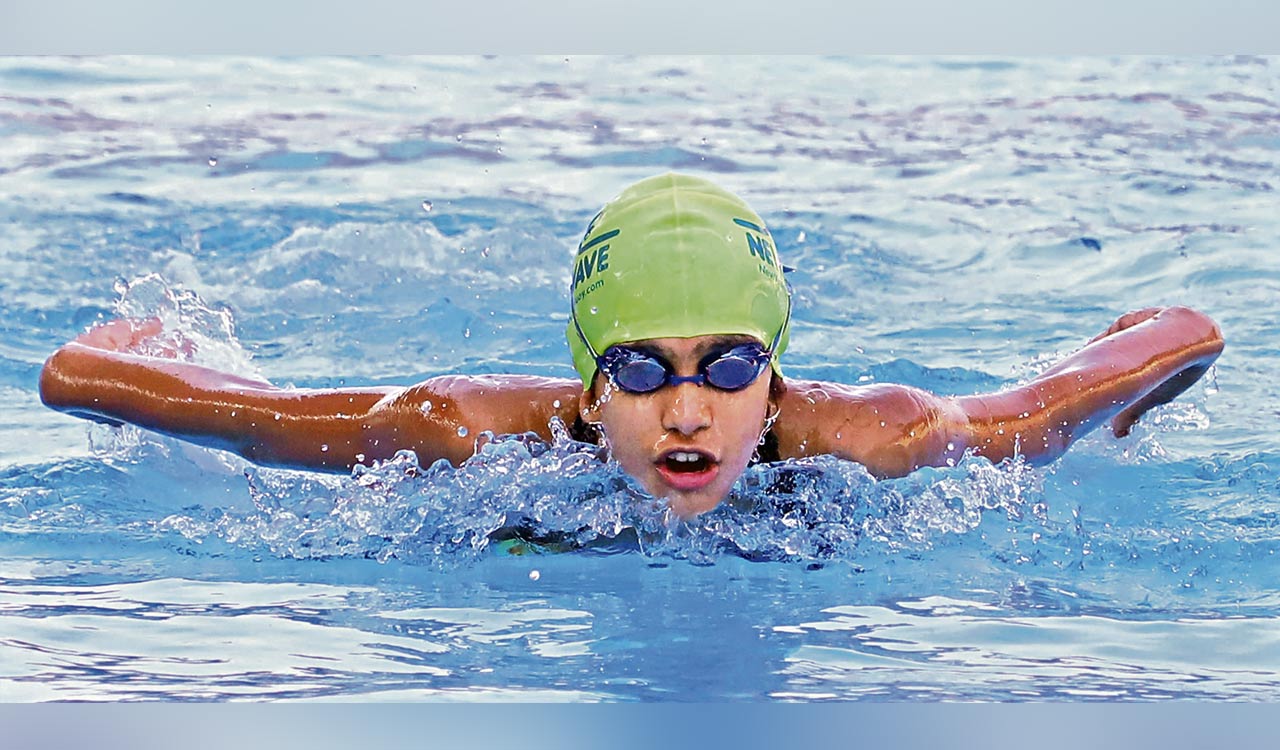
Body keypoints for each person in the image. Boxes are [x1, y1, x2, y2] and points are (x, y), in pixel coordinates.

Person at [39, 173, 1224, 519]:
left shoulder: (886, 439)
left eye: (727, 365)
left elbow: (1160, 348)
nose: (689, 409)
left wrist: (1139, 349)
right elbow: (121, 391)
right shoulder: (449, 430)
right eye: (643, 370)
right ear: (588, 385)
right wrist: (133, 350)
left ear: (774, 369)